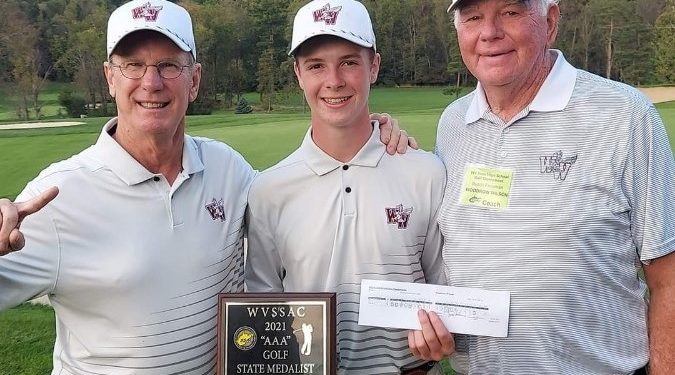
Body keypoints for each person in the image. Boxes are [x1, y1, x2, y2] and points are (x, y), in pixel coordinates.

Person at [0, 0, 408, 374]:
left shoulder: (225, 168)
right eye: (133, 65)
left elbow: (298, 197)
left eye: (168, 66)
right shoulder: (56, 198)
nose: (151, 82)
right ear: (110, 78)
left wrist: (370, 134)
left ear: (193, 80)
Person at [409, 0, 675, 374]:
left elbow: (668, 277)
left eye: (510, 12)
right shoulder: (454, 125)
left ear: (550, 21)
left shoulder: (624, 114)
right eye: (473, 18)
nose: (489, 33)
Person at [244, 1, 453, 374]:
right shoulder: (268, 189)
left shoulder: (426, 172)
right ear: (298, 74)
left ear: (373, 65)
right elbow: (264, 311)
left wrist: (440, 332)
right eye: (316, 66)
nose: (334, 80)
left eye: (349, 62)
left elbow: (445, 292)